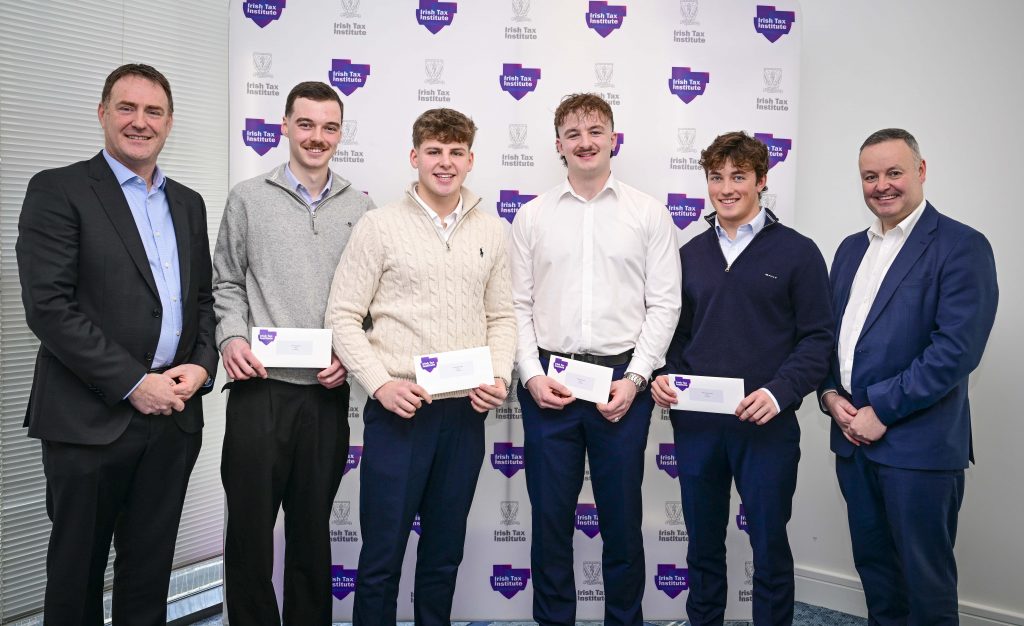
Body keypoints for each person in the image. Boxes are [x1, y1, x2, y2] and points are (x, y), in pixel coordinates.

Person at [16, 63, 217, 625]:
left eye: (153, 111)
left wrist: (201, 368)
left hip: (173, 419)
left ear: (169, 122)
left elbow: (201, 302)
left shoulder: (189, 203)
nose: (139, 122)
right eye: (126, 108)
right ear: (102, 113)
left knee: (149, 576)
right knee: (76, 579)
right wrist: (134, 383)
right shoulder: (58, 190)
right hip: (89, 420)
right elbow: (50, 308)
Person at [325, 108, 515, 626]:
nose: (445, 162)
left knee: (443, 555)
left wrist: (498, 375)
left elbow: (501, 316)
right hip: (400, 413)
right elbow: (342, 316)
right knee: (382, 555)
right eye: (434, 151)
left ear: (471, 160)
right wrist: (380, 384)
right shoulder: (378, 225)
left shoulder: (493, 230)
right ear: (415, 157)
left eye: (456, 152)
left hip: (464, 417)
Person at [509, 93, 681, 626]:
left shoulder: (648, 213)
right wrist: (532, 376)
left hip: (620, 381)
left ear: (614, 138)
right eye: (574, 133)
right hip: (549, 383)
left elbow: (665, 303)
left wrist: (635, 377)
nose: (586, 142)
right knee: (551, 523)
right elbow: (516, 306)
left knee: (622, 521)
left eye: (596, 131)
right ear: (558, 144)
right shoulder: (532, 216)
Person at [651, 131, 833, 626]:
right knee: (703, 542)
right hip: (698, 428)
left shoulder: (798, 252)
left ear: (761, 181)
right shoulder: (688, 255)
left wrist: (779, 392)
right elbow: (672, 335)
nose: (726, 188)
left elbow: (818, 339)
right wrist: (663, 376)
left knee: (770, 542)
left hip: (766, 426)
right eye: (716, 177)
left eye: (738, 176)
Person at [819, 128, 998, 625]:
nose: (882, 185)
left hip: (917, 446)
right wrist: (830, 394)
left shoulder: (962, 246)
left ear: (920, 171)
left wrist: (882, 410)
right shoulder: (851, 249)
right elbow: (831, 335)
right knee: (877, 574)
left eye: (894, 172)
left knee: (925, 583)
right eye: (870, 176)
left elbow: (955, 350)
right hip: (852, 439)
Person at [212, 81, 373, 625]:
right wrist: (231, 337)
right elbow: (227, 282)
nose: (317, 137)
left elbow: (370, 302)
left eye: (330, 128)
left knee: (311, 533)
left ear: (340, 134)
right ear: (284, 126)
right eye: (306, 124)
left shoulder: (362, 207)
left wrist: (351, 357)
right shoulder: (248, 197)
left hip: (325, 397)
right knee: (250, 534)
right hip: (259, 391)